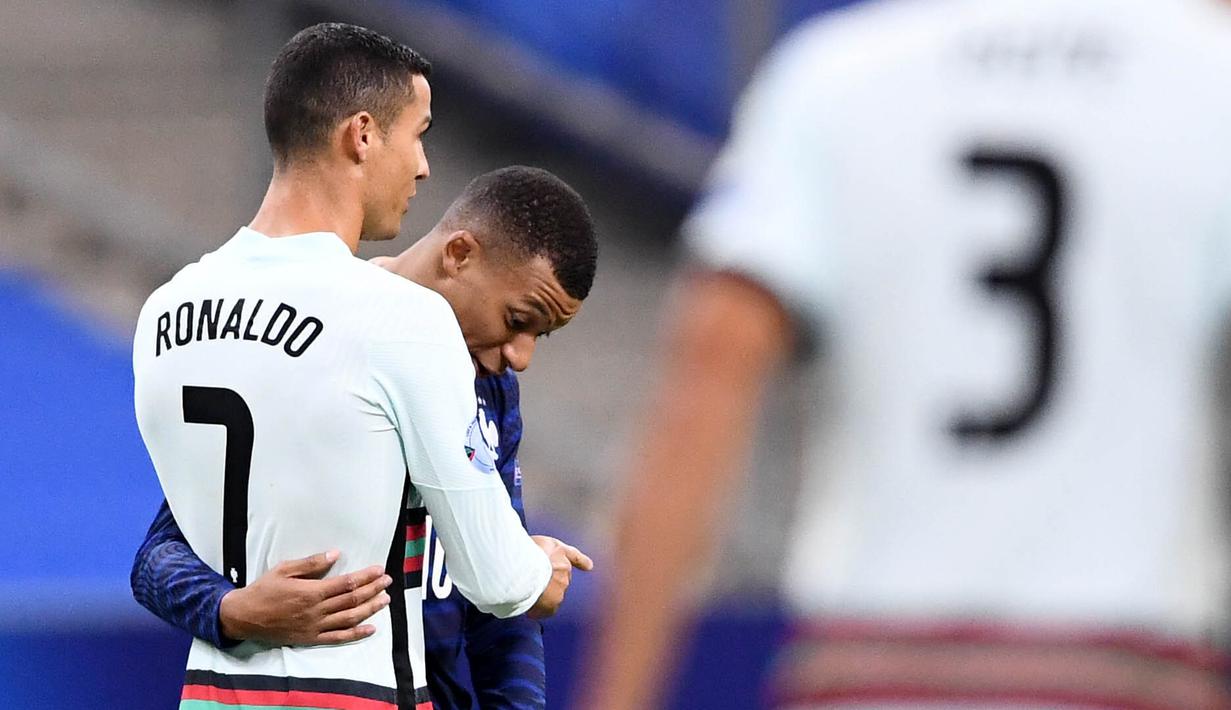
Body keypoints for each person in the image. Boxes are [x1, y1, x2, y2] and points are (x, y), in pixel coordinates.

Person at [583, 0, 1231, 708]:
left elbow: (710, 363)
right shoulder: (1206, 77)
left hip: (877, 663)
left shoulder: (838, 75)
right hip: (1129, 668)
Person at [133, 24, 591, 710]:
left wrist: (229, 612)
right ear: (363, 135)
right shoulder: (398, 323)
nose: (425, 166)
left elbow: (184, 534)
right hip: (357, 691)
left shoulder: (166, 313)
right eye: (420, 132)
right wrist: (538, 567)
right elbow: (502, 581)